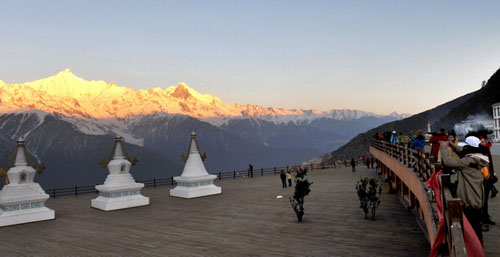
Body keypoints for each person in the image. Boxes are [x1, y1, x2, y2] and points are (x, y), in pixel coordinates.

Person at [440, 136, 489, 242]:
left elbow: (448, 162)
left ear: (467, 147)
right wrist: (453, 147)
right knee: (476, 224)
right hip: (477, 197)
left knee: (471, 226)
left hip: (469, 198)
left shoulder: (467, 160)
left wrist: (443, 148)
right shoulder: (477, 157)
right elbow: (463, 154)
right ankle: (478, 246)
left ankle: (472, 247)